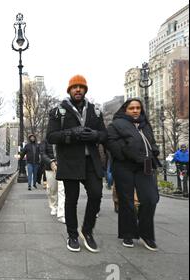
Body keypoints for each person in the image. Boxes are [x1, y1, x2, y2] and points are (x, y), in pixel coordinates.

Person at [47, 75, 107, 253]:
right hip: (70, 162)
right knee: (71, 200)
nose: (78, 89)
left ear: (85, 90)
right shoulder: (58, 111)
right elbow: (51, 137)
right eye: (75, 87)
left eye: (81, 87)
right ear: (69, 90)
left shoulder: (95, 111)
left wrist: (95, 136)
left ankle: (87, 231)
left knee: (96, 195)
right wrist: (71, 133)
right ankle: (72, 235)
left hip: (91, 161)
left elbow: (105, 135)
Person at [107, 98, 161, 251]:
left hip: (145, 165)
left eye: (138, 108)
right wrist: (127, 153)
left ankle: (146, 234)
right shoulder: (116, 124)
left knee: (151, 198)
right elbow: (111, 143)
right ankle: (128, 233)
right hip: (124, 166)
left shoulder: (145, 124)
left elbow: (151, 141)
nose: (136, 110)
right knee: (127, 201)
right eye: (132, 108)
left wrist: (154, 150)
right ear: (125, 110)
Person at [40, 139, 66, 224]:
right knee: (52, 189)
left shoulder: (63, 137)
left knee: (62, 190)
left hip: (62, 167)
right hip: (50, 168)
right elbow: (43, 154)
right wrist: (51, 162)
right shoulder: (45, 141)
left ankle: (61, 213)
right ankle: (53, 206)